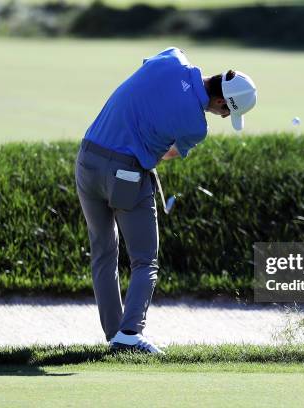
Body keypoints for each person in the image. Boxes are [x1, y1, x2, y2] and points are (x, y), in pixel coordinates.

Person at [74, 47, 257, 353]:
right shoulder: (197, 127)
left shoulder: (173, 58)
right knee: (145, 260)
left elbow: (152, 79)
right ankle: (130, 334)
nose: (225, 116)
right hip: (125, 174)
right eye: (228, 112)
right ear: (222, 102)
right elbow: (165, 153)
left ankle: (114, 334)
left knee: (104, 251)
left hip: (87, 159)